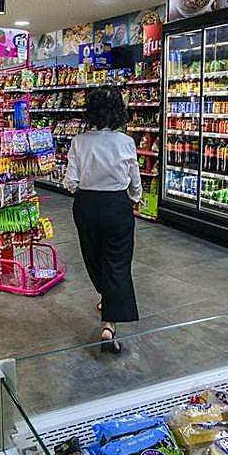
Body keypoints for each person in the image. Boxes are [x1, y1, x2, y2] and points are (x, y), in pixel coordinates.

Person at [64, 87, 141, 353]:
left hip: (87, 205)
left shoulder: (79, 141)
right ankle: (109, 322)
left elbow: (70, 181)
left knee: (92, 255)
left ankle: (105, 296)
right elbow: (134, 180)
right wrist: (134, 197)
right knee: (117, 261)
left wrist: (81, 190)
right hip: (117, 205)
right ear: (119, 112)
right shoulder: (125, 142)